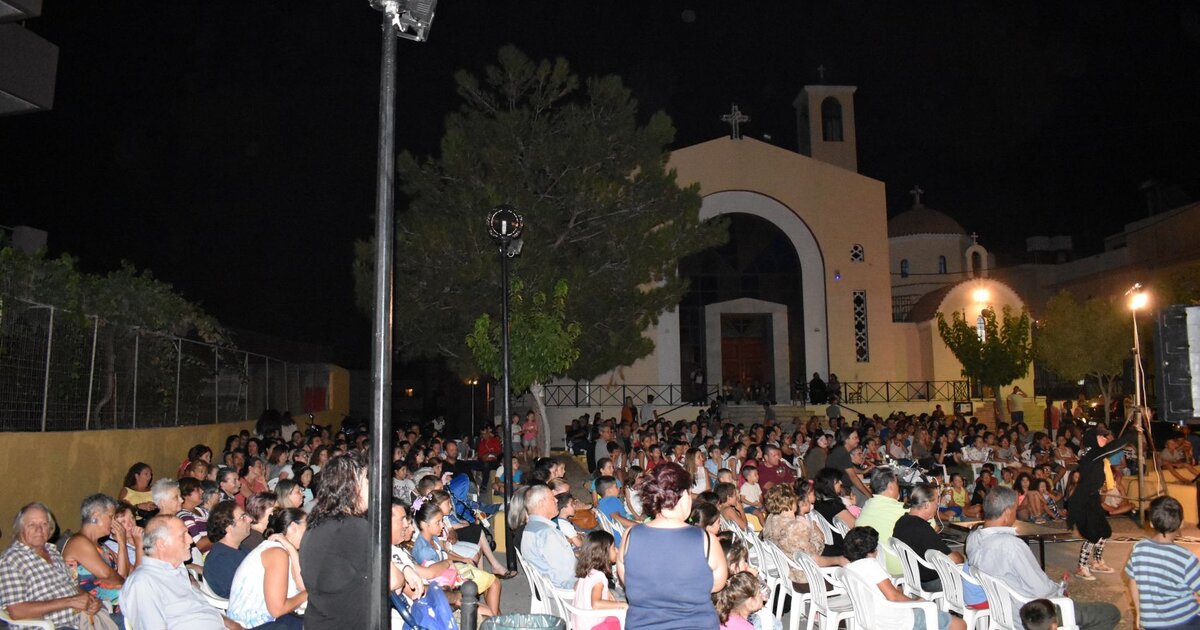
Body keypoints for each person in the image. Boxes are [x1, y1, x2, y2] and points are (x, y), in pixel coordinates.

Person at [967, 486, 1121, 630]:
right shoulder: (1011, 546)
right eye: (1015, 509)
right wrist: (1060, 591)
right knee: (1110, 612)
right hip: (1032, 614)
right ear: (1007, 512)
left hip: (1003, 608)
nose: (1015, 513)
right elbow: (1042, 589)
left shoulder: (973, 538)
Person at [300, 453, 414, 629]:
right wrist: (402, 573)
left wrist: (404, 568)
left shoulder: (315, 525)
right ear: (352, 487)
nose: (372, 488)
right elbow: (393, 580)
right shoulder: (354, 528)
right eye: (367, 482)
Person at [617, 462, 728, 629]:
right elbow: (716, 585)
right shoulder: (707, 541)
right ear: (683, 496)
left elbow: (628, 581)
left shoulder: (629, 536)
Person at [121, 515, 242, 629]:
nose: (190, 540)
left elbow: (204, 610)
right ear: (161, 544)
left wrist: (234, 626)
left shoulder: (178, 571)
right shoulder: (143, 582)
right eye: (183, 535)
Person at [0, 502, 105, 628]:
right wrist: (69, 602)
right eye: (32, 525)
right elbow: (16, 611)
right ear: (20, 529)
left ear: (50, 529)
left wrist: (91, 600)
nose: (39, 529)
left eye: (44, 524)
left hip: (82, 621)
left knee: (124, 619)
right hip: (52, 626)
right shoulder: (10, 560)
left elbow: (72, 586)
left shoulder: (52, 551)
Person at [842, 526, 963, 630]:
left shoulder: (849, 568)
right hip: (896, 620)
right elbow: (893, 597)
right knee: (959, 624)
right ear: (871, 550)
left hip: (873, 619)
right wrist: (916, 602)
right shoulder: (870, 565)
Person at [1067, 425, 1137, 580]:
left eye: (1105, 436)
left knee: (1104, 531)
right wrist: (1132, 433)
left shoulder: (1097, 455)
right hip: (1084, 500)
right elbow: (1114, 446)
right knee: (1093, 534)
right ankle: (1081, 567)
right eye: (1101, 436)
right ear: (1093, 439)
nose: (1104, 439)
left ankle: (1097, 562)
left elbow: (1110, 450)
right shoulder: (1092, 453)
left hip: (1093, 498)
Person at [1125, 496, 1200, 629]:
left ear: (1151, 523)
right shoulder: (1186, 558)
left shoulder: (1139, 549)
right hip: (1185, 621)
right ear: (1182, 523)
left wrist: (1139, 613)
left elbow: (1133, 582)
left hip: (1151, 623)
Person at [226, 508, 307, 630]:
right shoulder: (276, 553)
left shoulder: (283, 549)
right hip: (250, 625)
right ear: (293, 527)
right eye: (308, 526)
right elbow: (277, 610)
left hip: (266, 622)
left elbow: (302, 585)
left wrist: (290, 548)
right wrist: (309, 593)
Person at [892, 484, 969, 594]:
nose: (937, 507)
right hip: (932, 581)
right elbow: (954, 560)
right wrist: (962, 557)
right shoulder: (922, 529)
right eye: (936, 503)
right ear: (927, 505)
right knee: (975, 579)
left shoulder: (901, 521)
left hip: (913, 577)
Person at [62, 494, 131, 615]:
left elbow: (122, 575)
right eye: (111, 517)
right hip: (92, 610)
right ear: (96, 517)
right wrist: (128, 585)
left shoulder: (102, 547)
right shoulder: (78, 542)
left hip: (112, 606)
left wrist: (122, 543)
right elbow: (107, 575)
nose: (114, 522)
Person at [761, 484, 844, 583]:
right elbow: (815, 559)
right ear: (791, 501)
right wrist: (839, 560)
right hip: (807, 576)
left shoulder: (771, 519)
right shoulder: (794, 528)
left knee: (842, 550)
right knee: (848, 557)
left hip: (790, 568)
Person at [521, 484, 579, 589]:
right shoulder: (547, 534)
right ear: (541, 503)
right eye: (552, 499)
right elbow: (566, 577)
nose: (556, 501)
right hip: (567, 590)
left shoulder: (530, 528)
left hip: (549, 587)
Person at [854, 467, 906, 576]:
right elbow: (932, 528)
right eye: (897, 483)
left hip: (873, 562)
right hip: (897, 566)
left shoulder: (868, 504)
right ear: (891, 486)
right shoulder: (901, 509)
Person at [572, 530, 628, 630]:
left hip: (580, 624)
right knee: (629, 613)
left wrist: (606, 591)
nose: (616, 550)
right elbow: (596, 604)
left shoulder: (588, 571)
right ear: (603, 553)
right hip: (594, 626)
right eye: (613, 547)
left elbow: (576, 587)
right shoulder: (599, 577)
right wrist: (623, 605)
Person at [205, 501, 251, 599]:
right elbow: (242, 594)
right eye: (243, 517)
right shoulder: (220, 560)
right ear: (229, 528)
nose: (249, 520)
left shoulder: (240, 548)